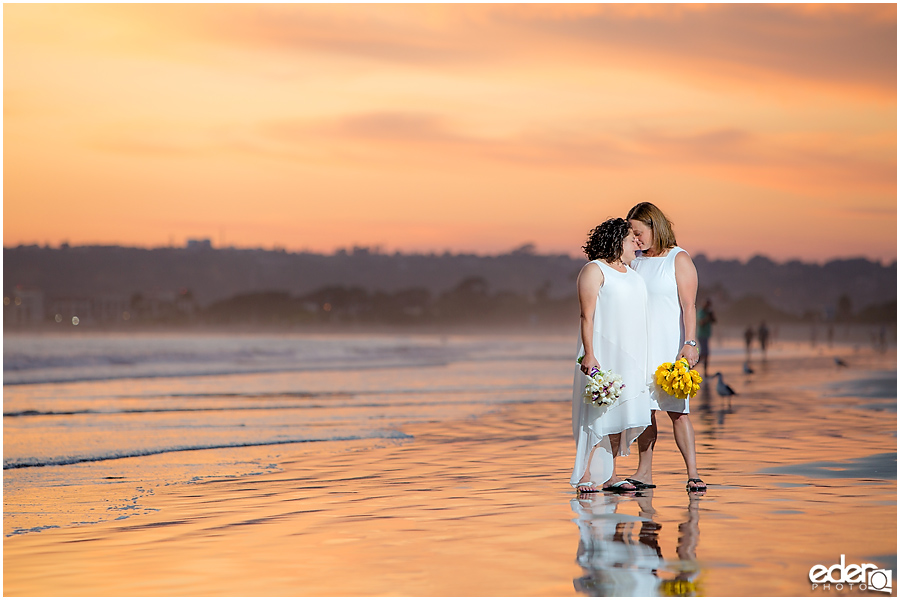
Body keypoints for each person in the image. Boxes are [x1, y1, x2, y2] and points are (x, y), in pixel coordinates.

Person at [625, 202, 706, 493]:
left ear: (654, 226)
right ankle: (643, 472)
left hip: (670, 345)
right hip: (640, 347)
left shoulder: (678, 258)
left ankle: (693, 473)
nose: (636, 238)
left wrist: (690, 343)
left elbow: (688, 305)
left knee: (678, 412)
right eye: (631, 234)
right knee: (645, 412)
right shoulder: (633, 261)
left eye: (639, 231)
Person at [571, 218, 652, 494]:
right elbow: (587, 315)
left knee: (621, 413)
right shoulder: (594, 270)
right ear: (618, 242)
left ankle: (611, 475)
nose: (638, 244)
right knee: (599, 414)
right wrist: (589, 354)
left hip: (631, 356)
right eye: (632, 239)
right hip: (603, 353)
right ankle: (585, 474)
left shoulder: (634, 275)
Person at [696, 299, 715, 377]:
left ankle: (705, 372)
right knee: (704, 354)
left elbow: (714, 321)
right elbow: (701, 323)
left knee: (706, 354)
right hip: (701, 335)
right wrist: (707, 317)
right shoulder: (701, 312)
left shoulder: (708, 313)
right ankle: (691, 367)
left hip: (706, 335)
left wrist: (711, 316)